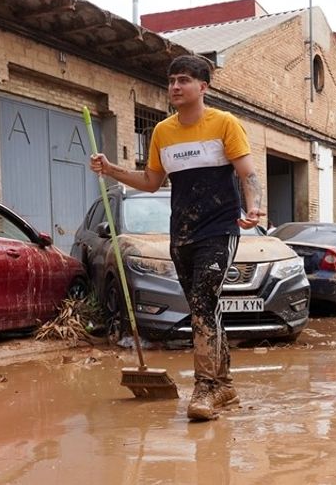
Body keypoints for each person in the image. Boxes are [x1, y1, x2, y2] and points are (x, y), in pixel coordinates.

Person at [90, 54, 265, 421]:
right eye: (171, 81)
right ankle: (225, 385)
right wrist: (111, 169)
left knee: (203, 301)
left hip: (219, 230)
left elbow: (247, 172)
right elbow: (151, 182)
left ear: (203, 86)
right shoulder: (163, 132)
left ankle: (204, 388)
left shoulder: (224, 124)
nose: (174, 87)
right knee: (205, 308)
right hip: (181, 233)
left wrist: (254, 208)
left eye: (183, 80)